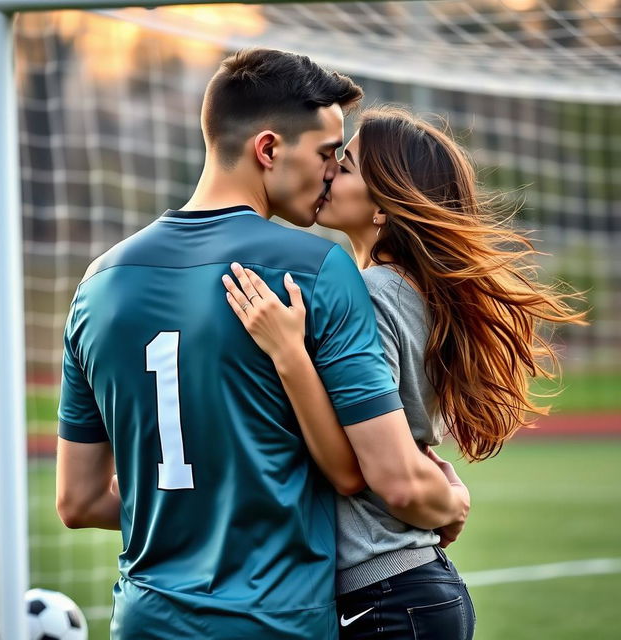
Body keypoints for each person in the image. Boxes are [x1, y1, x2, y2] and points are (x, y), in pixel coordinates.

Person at [55, 51, 469, 640]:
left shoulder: (96, 284)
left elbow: (79, 501)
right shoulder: (317, 269)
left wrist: (191, 497)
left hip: (146, 620)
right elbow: (360, 474)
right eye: (328, 154)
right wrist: (445, 500)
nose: (331, 172)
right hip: (278, 620)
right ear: (269, 149)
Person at [224, 106, 586, 639]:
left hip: (386, 596)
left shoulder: (372, 294)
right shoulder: (412, 290)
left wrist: (288, 354)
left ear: (384, 207)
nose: (327, 174)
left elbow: (365, 470)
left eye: (344, 167)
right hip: (411, 590)